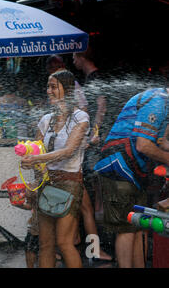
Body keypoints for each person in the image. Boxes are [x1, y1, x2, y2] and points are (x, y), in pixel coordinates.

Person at [93, 86, 169, 268]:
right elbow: (143, 145)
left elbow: (162, 141)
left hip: (133, 170)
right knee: (126, 228)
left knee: (138, 226)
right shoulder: (159, 102)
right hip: (119, 167)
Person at [21, 69, 89, 268]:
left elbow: (68, 151)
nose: (48, 91)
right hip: (47, 183)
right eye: (48, 87)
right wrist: (36, 180)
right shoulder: (45, 120)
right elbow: (36, 150)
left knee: (64, 242)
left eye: (53, 87)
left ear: (66, 90)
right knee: (45, 244)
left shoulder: (80, 117)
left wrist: (36, 158)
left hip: (69, 183)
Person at [48, 54, 112, 261]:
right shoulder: (56, 114)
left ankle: (86, 249)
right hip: (67, 173)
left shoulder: (74, 110)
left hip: (72, 171)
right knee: (83, 210)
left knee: (82, 209)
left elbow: (88, 111)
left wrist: (90, 134)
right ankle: (87, 250)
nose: (49, 90)